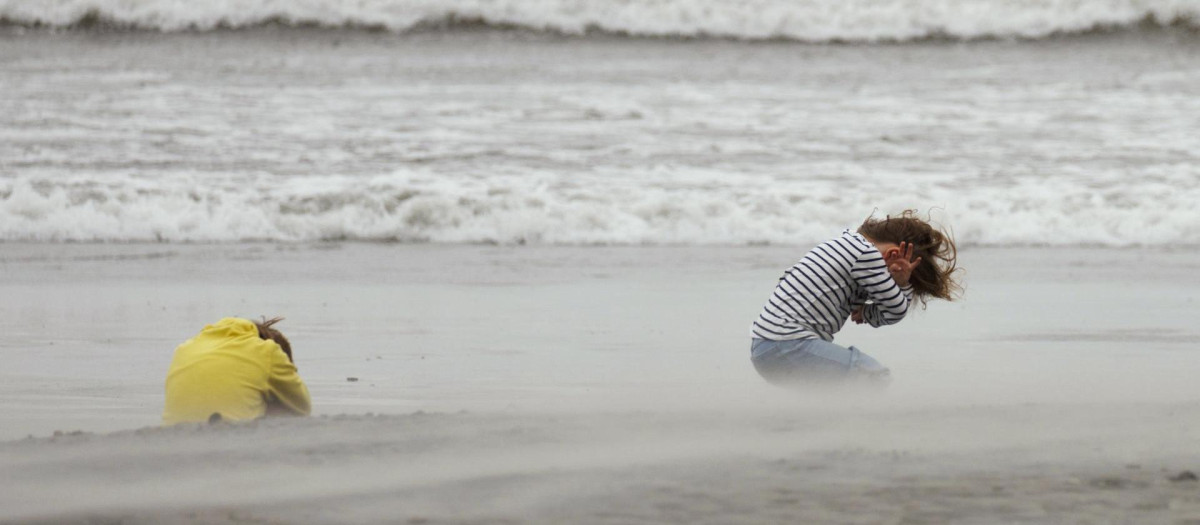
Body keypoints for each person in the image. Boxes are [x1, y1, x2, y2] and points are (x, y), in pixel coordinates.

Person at [749, 210, 961, 385]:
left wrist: (868, 311)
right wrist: (902, 284)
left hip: (764, 346)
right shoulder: (866, 255)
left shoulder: (845, 243)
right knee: (873, 375)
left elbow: (884, 313)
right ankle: (860, 427)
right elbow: (896, 310)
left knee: (825, 391)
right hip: (789, 344)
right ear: (893, 255)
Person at [163, 317, 311, 425]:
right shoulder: (267, 350)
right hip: (225, 434)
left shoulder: (184, 349)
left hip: (172, 437)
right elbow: (302, 408)